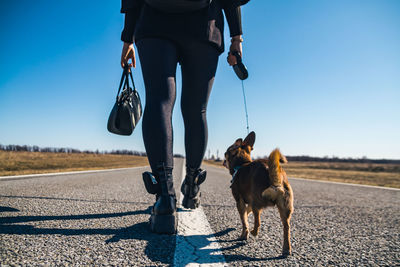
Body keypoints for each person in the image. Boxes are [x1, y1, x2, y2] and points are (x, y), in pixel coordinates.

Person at [120, 0, 248, 234]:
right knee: (196, 109)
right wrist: (236, 38)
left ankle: (165, 199)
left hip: (154, 22)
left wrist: (127, 38)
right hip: (204, 26)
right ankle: (191, 186)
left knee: (159, 100)